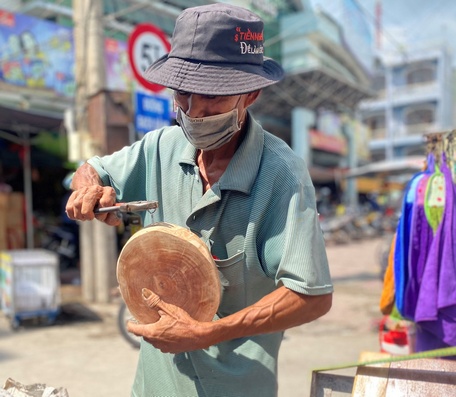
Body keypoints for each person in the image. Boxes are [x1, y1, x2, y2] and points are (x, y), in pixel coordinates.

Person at [65, 4, 333, 396]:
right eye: (183, 94)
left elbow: (311, 295)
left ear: (250, 94)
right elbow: (92, 168)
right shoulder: (161, 145)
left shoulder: (281, 175)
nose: (192, 112)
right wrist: (89, 188)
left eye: (211, 96)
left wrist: (207, 332)